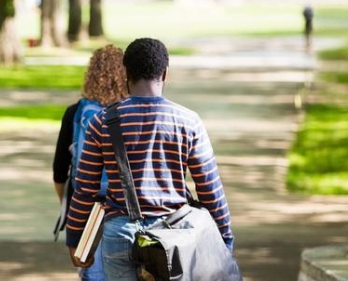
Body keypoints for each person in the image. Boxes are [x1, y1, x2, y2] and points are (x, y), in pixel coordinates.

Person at [70, 38, 235, 281]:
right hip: (174, 237)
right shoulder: (188, 122)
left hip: (119, 233)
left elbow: (85, 188)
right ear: (165, 73)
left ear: (126, 72)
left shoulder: (101, 123)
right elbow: (209, 187)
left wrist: (75, 239)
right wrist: (224, 236)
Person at [53, 45, 128, 280]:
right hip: (127, 209)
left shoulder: (75, 113)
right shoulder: (133, 112)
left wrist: (73, 205)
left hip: (87, 211)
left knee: (92, 273)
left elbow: (59, 170)